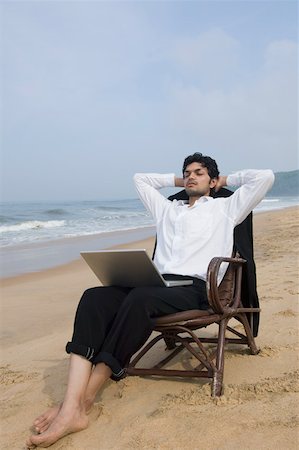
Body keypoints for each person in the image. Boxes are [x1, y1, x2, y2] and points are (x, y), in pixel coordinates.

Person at [26, 153, 274, 448]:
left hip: (195, 289)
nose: (191, 176)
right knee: (93, 298)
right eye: (187, 173)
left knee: (141, 298)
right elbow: (139, 179)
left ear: (211, 180)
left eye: (199, 172)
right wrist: (178, 181)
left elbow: (265, 177)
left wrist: (225, 180)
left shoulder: (227, 208)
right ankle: (72, 403)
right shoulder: (167, 208)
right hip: (156, 284)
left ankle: (83, 401)